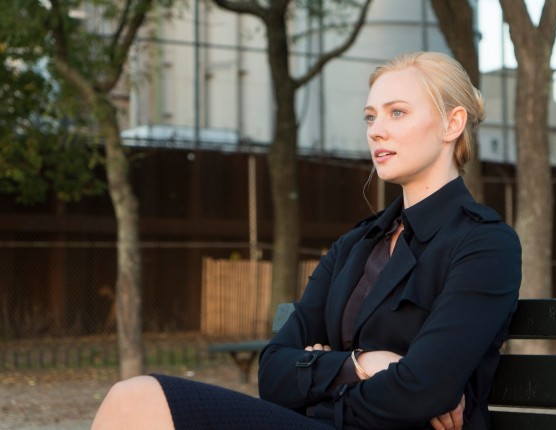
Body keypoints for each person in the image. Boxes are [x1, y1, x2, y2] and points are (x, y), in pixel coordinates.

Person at [91, 51, 521, 430]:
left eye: (397, 113)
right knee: (133, 399)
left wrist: (316, 381)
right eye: (370, 116)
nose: (376, 130)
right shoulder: (356, 244)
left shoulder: (484, 245)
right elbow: (273, 373)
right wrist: (360, 365)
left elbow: (420, 390)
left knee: (138, 401)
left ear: (452, 123)